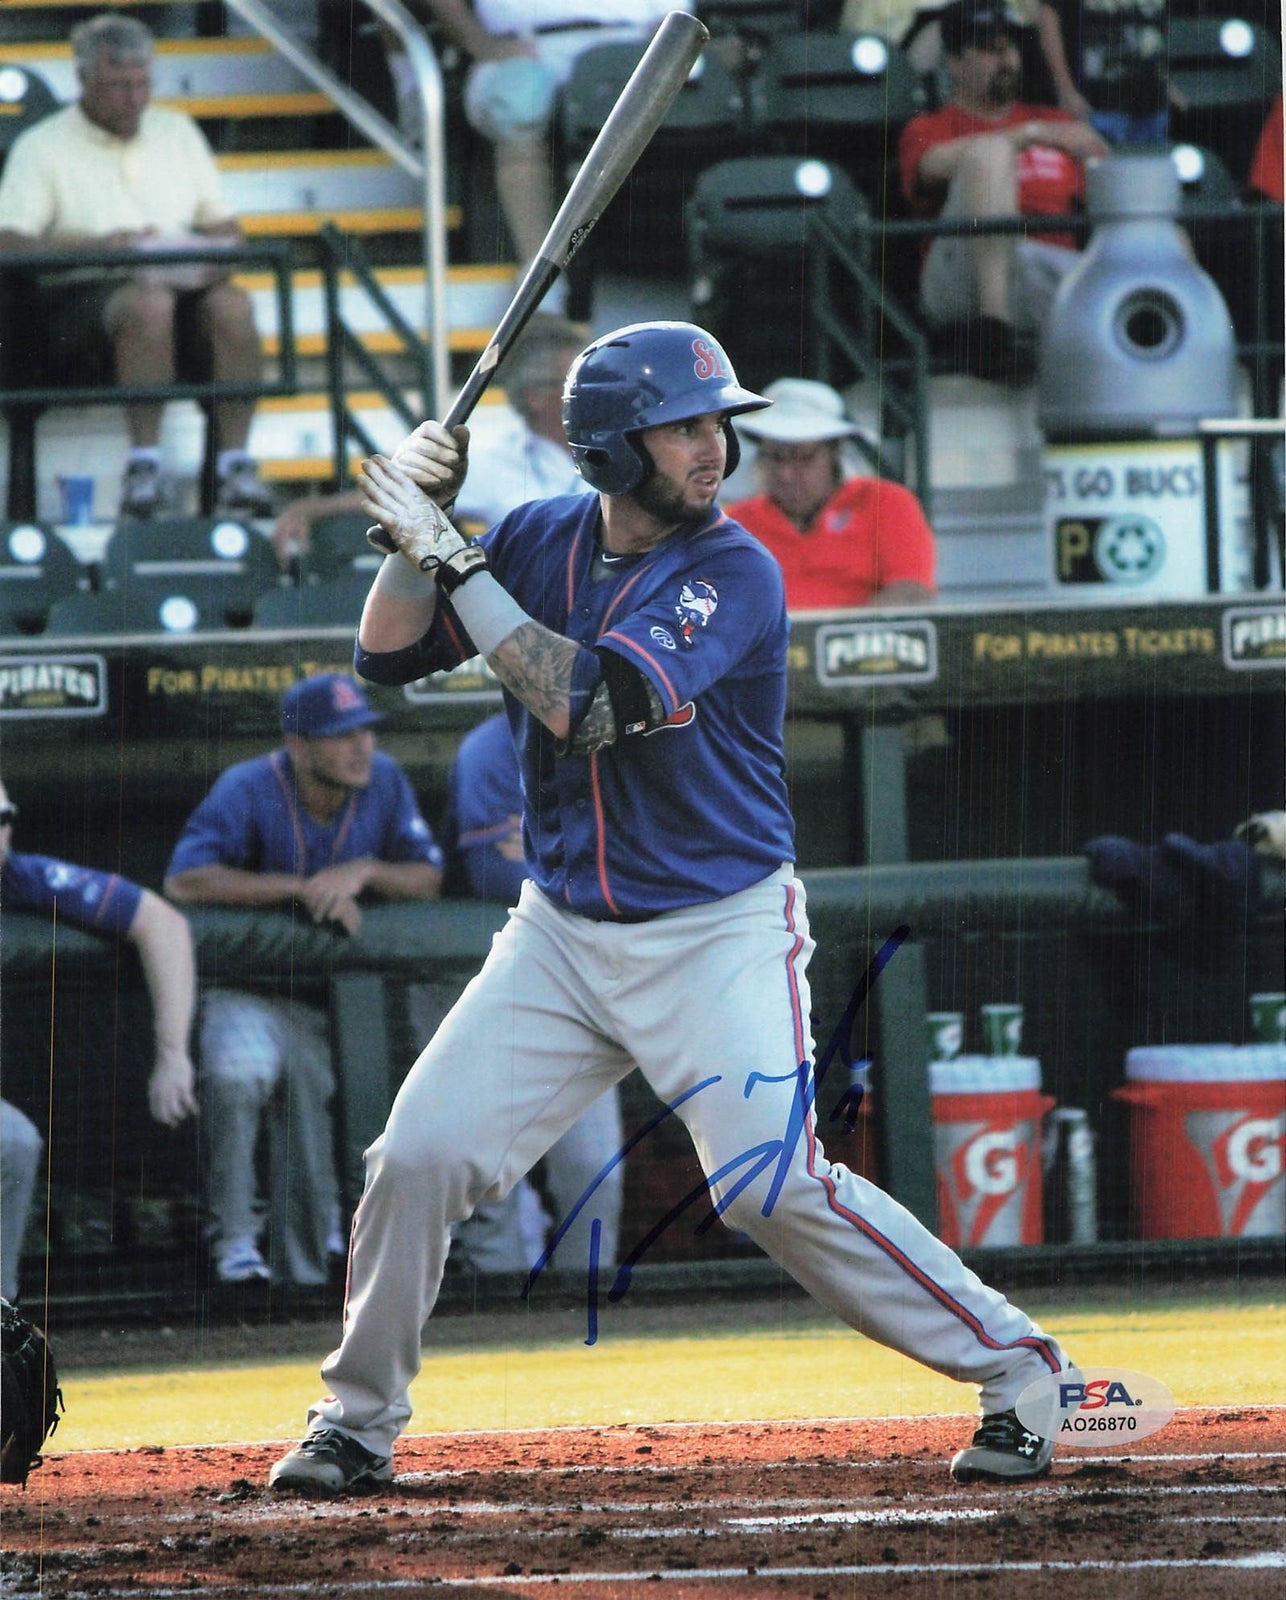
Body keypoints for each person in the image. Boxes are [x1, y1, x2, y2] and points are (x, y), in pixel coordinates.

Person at [266, 319, 1073, 1497]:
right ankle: (355, 1419)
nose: (713, 448)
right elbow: (383, 656)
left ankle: (1021, 1369)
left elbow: (584, 705)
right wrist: (412, 535)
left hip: (714, 928)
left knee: (767, 1184)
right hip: (560, 935)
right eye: (683, 427)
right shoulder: (533, 535)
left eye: (715, 425)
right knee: (417, 1156)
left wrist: (453, 557)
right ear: (608, 450)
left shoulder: (733, 568)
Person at [163, 674, 444, 1287]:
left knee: (324, 1107)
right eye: (341, 735)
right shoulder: (248, 786)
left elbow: (427, 879)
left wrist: (363, 870)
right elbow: (185, 880)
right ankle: (235, 1240)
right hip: (249, 987)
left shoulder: (385, 780)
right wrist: (300, 889)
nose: (361, 746)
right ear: (298, 744)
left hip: (335, 1005)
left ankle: (313, 1255)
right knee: (238, 1076)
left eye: (365, 730)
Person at [0, 14, 274, 522]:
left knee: (233, 305)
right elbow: (11, 241)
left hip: (180, 286)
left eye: (142, 84)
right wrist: (101, 247)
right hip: (79, 304)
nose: (133, 99)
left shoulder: (177, 131)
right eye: (117, 86)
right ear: (83, 79)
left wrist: (211, 256)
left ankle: (236, 465)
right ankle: (144, 465)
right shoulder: (42, 145)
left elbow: (223, 225)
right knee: (148, 304)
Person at [439, 711, 624, 1273]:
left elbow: (642, 859)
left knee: (595, 1170)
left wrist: (538, 852)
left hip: (572, 979)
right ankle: (502, 1314)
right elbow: (490, 873)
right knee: (490, 1178)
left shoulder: (618, 737)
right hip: (472, 981)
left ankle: (582, 1302)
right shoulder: (488, 748)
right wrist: (590, 859)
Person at [0, 775, 197, 1303]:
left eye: (3, 818)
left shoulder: (19, 877)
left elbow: (162, 923)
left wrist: (172, 1053)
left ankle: (0, 1314)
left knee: (11, 1141)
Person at [269, 314, 592, 568]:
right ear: (535, 396)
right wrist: (310, 509)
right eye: (580, 382)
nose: (595, 391)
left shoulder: (614, 445)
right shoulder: (497, 459)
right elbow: (402, 490)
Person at [897, 0, 1108, 382]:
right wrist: (1030, 134)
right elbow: (929, 169)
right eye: (989, 50)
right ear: (955, 63)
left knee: (1152, 207)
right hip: (962, 276)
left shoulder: (1058, 123)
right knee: (990, 152)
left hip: (1047, 270)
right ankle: (993, 332)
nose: (1005, 59)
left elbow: (1115, 188)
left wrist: (1093, 147)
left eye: (1009, 48)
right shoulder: (929, 127)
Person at [396, 3, 687, 271]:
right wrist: (480, 43)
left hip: (631, 46)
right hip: (525, 48)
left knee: (685, 106)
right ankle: (538, 274)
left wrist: (673, 36)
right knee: (518, 106)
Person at [726, 378, 937, 610]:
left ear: (834, 452)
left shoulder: (886, 503)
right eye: (775, 458)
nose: (786, 474)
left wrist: (838, 631)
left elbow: (912, 592)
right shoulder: (736, 522)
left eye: (803, 458)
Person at [1030, 1, 1177, 149]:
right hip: (1096, 105)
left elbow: (1153, 29)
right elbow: (1047, 16)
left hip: (1152, 104)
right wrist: (1065, 90)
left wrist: (1167, 85)